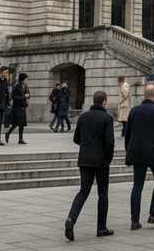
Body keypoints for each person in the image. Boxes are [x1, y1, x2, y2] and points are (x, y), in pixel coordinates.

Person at [64, 90, 115, 241]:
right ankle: (101, 228)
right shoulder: (107, 118)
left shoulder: (83, 117)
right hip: (101, 161)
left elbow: (76, 138)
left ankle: (71, 218)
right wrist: (108, 157)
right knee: (103, 193)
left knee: (83, 192)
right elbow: (110, 142)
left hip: (85, 159)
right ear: (104, 102)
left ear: (94, 101)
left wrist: (87, 145)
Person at [125, 83, 154, 230]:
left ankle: (134, 220)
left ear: (145, 96)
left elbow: (128, 134)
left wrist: (129, 151)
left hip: (137, 152)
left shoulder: (134, 111)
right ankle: (153, 213)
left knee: (137, 186)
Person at [5, 72, 30, 144]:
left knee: (22, 124)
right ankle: (8, 133)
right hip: (17, 107)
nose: (27, 80)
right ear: (23, 79)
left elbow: (28, 94)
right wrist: (23, 97)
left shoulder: (25, 86)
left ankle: (20, 139)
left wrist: (28, 95)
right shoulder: (16, 86)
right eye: (26, 79)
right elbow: (13, 97)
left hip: (23, 106)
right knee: (16, 123)